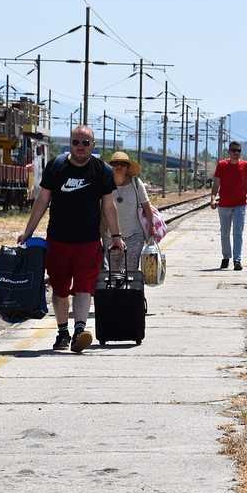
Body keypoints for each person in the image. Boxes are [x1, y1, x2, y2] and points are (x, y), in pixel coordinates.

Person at [17, 125, 124, 353]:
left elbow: (109, 205)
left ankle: (79, 331)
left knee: (84, 288)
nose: (81, 147)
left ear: (92, 145)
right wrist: (28, 232)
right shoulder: (56, 166)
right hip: (58, 240)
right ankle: (62, 331)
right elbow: (42, 201)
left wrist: (116, 236)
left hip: (88, 241)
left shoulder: (102, 170)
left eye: (86, 143)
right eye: (76, 142)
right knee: (60, 289)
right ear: (70, 144)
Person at [103, 151, 153, 272]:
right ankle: (116, 292)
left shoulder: (136, 183)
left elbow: (147, 207)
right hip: (110, 236)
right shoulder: (105, 183)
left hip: (134, 236)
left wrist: (151, 230)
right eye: (115, 164)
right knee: (114, 273)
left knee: (130, 272)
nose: (119, 167)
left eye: (123, 164)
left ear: (127, 167)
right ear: (111, 167)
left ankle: (129, 291)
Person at [211, 140, 247, 271]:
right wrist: (213, 199)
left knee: (238, 233)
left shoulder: (245, 166)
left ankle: (237, 260)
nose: (236, 153)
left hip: (240, 205)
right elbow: (216, 184)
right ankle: (226, 257)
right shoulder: (221, 165)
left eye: (238, 151)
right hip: (224, 205)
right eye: (233, 151)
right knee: (224, 233)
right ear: (229, 152)